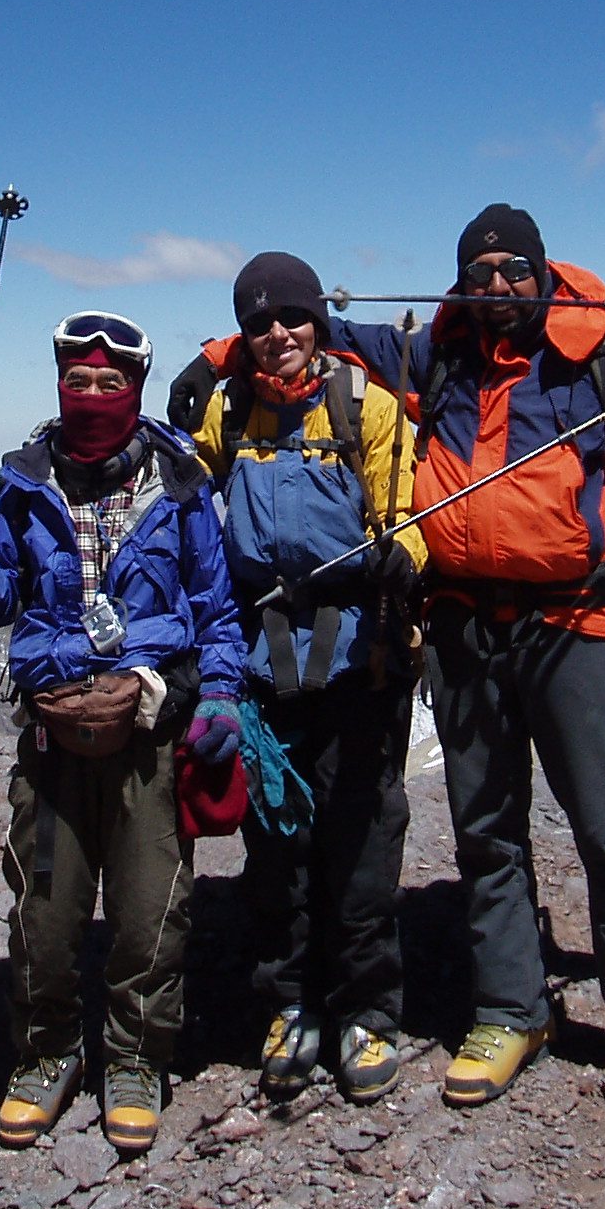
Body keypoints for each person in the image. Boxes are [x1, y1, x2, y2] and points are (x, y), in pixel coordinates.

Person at [302, 205, 605, 1120]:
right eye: (479, 273)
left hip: (575, 622)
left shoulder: (596, 363)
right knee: (487, 832)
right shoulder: (433, 356)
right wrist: (226, 348)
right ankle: (509, 1012)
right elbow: (311, 329)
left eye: (513, 271)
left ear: (542, 273)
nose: (497, 287)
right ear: (459, 283)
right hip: (463, 628)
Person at [0, 312, 247, 1154]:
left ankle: (136, 1060)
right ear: (59, 385)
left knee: (149, 913)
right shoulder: (26, 484)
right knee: (47, 913)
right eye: (79, 381)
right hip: (53, 734)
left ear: (135, 388)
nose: (93, 395)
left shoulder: (181, 484)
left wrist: (221, 695)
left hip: (150, 732)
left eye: (111, 382)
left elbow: (215, 608)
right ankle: (47, 1053)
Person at [166, 252, 427, 1106]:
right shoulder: (229, 411)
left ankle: (366, 1011)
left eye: (292, 318)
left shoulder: (366, 406)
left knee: (361, 835)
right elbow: (183, 497)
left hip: (360, 652)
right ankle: (290, 1003)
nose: (277, 334)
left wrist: (403, 554)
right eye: (258, 323)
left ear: (318, 323)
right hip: (262, 650)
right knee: (277, 839)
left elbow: (405, 512)